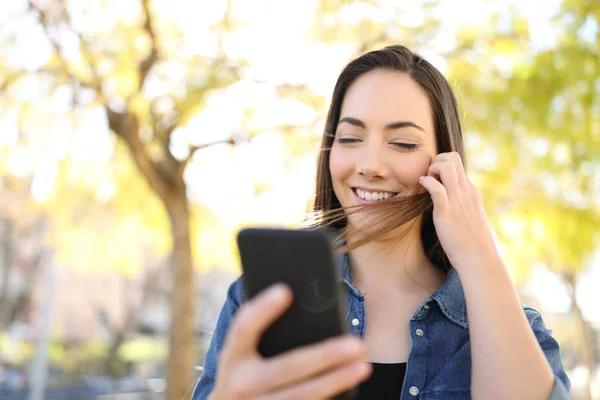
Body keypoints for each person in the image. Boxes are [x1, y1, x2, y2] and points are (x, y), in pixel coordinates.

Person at [192, 45, 571, 399]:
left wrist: (479, 254)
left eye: (403, 143)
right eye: (350, 138)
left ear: (443, 164)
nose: (370, 165)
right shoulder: (260, 303)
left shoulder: (510, 324)